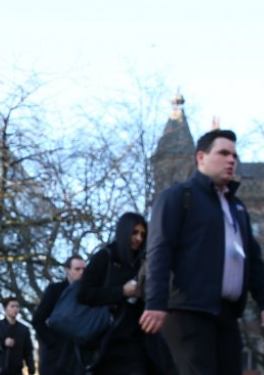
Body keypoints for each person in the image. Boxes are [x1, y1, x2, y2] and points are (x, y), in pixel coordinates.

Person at [141, 129, 264, 375]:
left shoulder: (237, 207)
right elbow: (159, 250)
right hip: (188, 311)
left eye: (234, 155)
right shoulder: (176, 198)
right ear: (201, 157)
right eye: (223, 153)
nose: (231, 160)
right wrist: (155, 302)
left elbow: (253, 262)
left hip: (226, 314)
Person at [79, 212, 149, 374]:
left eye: (142, 234)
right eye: (134, 232)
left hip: (133, 341)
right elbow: (84, 293)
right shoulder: (105, 257)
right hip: (105, 341)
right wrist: (121, 292)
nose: (138, 238)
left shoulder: (142, 262)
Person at [32, 255, 85, 375]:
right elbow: (38, 320)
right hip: (57, 356)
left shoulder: (87, 293)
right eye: (77, 269)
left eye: (84, 269)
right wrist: (53, 343)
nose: (82, 273)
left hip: (79, 355)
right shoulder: (55, 290)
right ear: (67, 270)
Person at [0, 297, 36, 375]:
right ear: (5, 308)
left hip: (16, 370)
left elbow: (28, 351)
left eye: (17, 306)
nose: (15, 309)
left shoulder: (24, 329)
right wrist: (3, 342)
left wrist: (31, 369)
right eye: (12, 306)